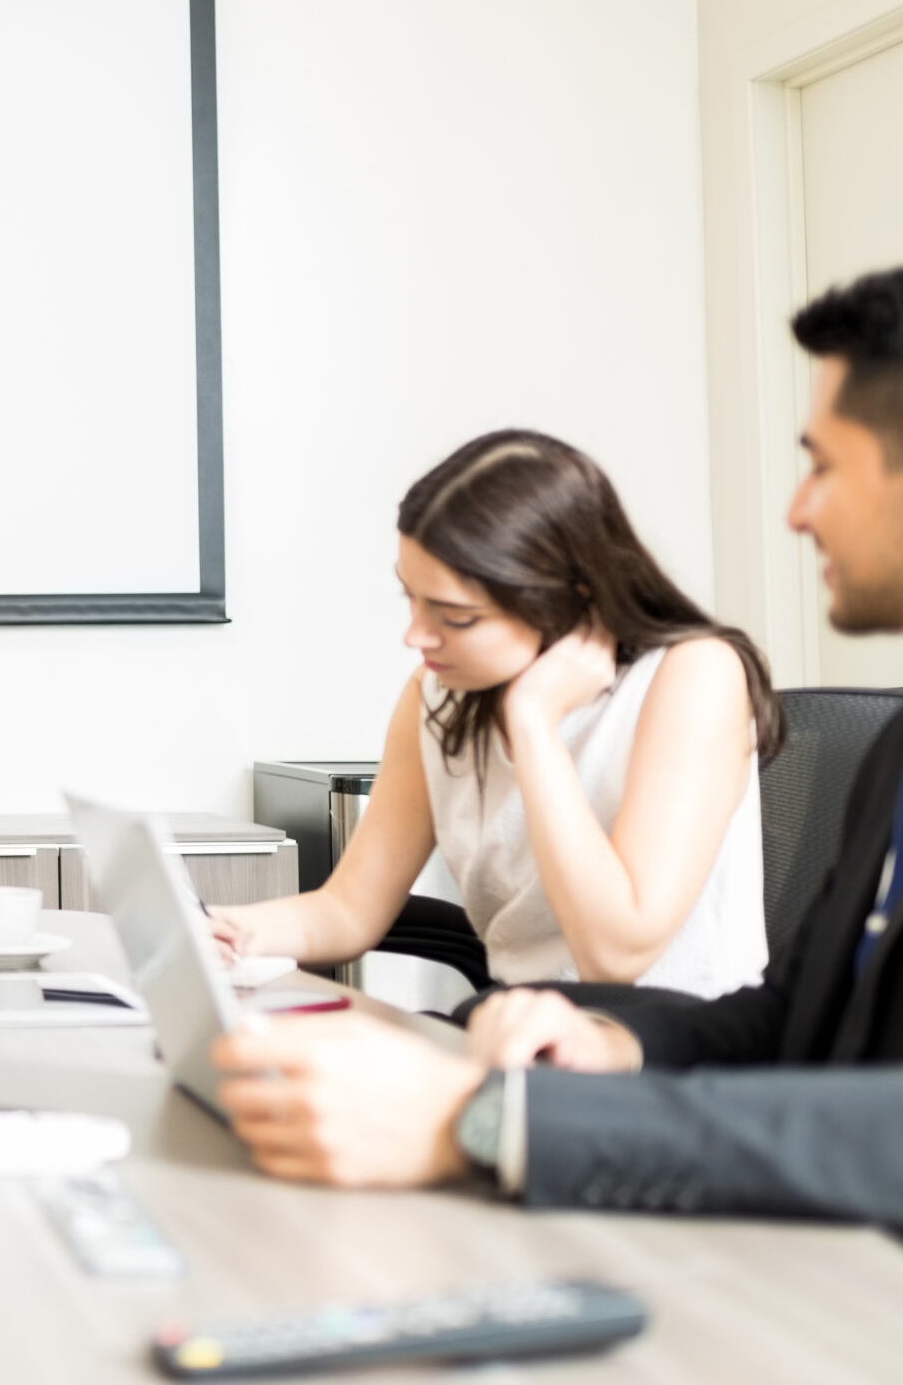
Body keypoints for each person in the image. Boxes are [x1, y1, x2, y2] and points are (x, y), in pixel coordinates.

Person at [209, 268, 903, 1227]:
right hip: (601, 1067)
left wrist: (500, 1121)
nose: (794, 509)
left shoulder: (692, 676)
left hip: (682, 1126)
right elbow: (792, 1022)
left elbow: (621, 951)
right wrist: (597, 1052)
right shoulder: (897, 756)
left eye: (822, 464)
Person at [212, 429, 777, 1000]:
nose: (416, 635)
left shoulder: (694, 676)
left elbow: (615, 956)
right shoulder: (436, 696)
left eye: (455, 617)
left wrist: (532, 724)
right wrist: (233, 932)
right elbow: (349, 908)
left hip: (668, 1047)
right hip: (521, 1029)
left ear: (567, 596)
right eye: (409, 597)